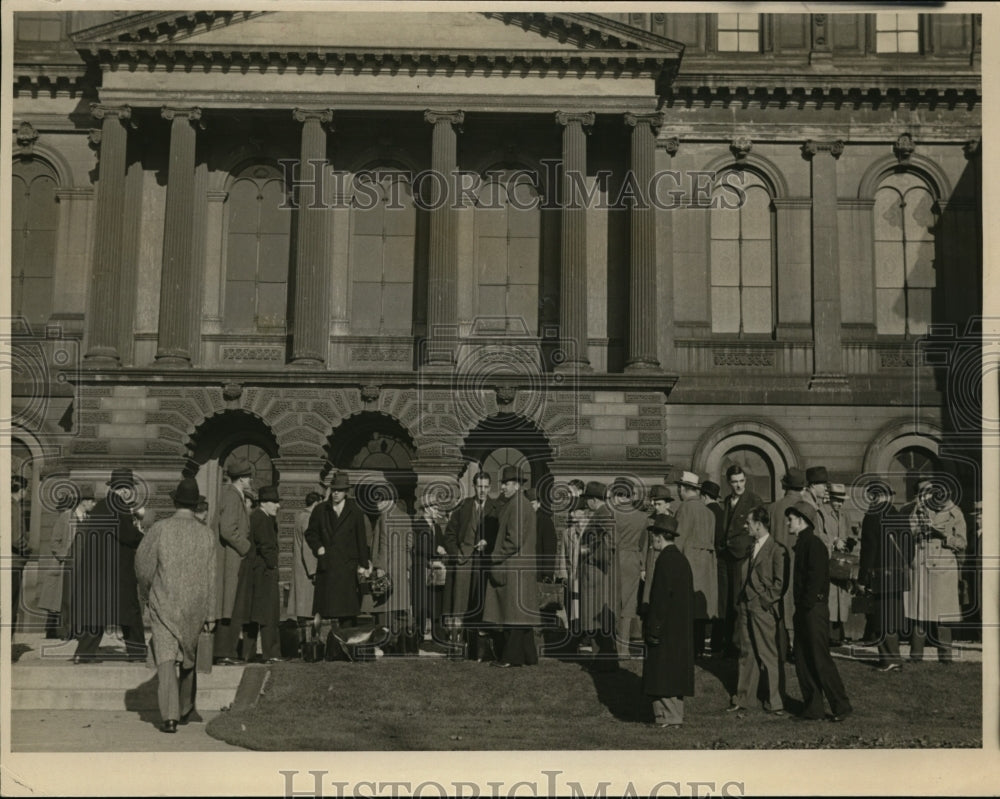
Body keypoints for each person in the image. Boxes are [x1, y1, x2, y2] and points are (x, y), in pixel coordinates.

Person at [135, 478, 217, 734]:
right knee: (189, 656)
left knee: (167, 658)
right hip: (195, 604)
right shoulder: (206, 533)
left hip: (164, 601)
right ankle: (184, 708)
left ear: (175, 502)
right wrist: (211, 612)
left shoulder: (160, 529)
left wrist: (148, 592)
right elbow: (211, 575)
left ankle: (169, 716)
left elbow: (143, 566)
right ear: (195, 505)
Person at [786, 501, 852, 721]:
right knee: (804, 660)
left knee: (820, 659)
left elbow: (814, 580)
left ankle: (841, 706)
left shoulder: (813, 544)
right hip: (807, 609)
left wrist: (805, 605)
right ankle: (813, 708)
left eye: (791, 518)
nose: (788, 522)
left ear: (803, 521)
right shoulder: (805, 543)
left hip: (813, 610)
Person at [74, 468, 147, 663]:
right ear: (123, 490)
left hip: (97, 570)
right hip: (117, 571)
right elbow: (128, 535)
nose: (129, 492)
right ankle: (138, 653)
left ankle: (84, 652)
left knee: (97, 612)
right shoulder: (119, 505)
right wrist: (145, 537)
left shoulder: (101, 506)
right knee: (130, 611)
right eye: (128, 488)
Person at [729, 506, 787, 714]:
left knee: (767, 654)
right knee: (747, 653)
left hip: (762, 608)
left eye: (748, 523)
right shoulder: (751, 546)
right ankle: (744, 699)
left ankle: (775, 703)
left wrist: (764, 601)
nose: (745, 526)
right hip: (746, 605)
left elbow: (780, 584)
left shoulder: (776, 549)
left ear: (759, 525)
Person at [903, 477, 966, 663]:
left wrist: (944, 536)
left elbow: (962, 543)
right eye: (925, 492)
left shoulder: (955, 513)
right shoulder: (918, 510)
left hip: (944, 568)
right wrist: (920, 530)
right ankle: (916, 656)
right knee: (919, 613)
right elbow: (908, 532)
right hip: (922, 565)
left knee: (943, 614)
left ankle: (945, 657)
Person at [482, 465, 540, 667]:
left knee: (513, 616)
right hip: (521, 568)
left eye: (506, 484)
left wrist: (494, 556)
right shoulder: (521, 504)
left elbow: (513, 540)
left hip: (513, 568)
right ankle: (529, 656)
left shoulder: (517, 506)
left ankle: (510, 658)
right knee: (521, 616)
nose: (503, 488)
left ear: (516, 485)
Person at [642, 514, 695, 728]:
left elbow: (660, 599)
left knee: (662, 674)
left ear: (659, 537)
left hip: (665, 628)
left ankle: (668, 717)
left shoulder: (664, 560)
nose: (652, 539)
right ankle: (672, 716)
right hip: (679, 627)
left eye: (654, 534)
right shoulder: (681, 559)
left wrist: (653, 627)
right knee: (673, 675)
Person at [305, 470, 370, 642]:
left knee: (347, 610)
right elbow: (310, 533)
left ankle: (348, 643)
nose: (335, 493)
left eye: (339, 490)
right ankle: (325, 643)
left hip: (347, 567)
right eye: (333, 489)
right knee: (325, 609)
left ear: (346, 492)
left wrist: (363, 565)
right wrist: (318, 547)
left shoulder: (355, 511)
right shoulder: (320, 510)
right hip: (327, 566)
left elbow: (361, 540)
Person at [444, 471, 498, 659]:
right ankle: (456, 649)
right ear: (474, 487)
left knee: (479, 605)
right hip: (463, 563)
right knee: (458, 606)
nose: (482, 490)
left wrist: (488, 543)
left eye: (486, 487)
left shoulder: (496, 507)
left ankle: (477, 651)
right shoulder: (464, 506)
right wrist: (456, 554)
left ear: (490, 487)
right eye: (479, 486)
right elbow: (449, 534)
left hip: (483, 565)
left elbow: (499, 536)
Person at [857, 482, 908, 671]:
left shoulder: (873, 515)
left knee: (880, 619)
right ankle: (895, 657)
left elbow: (868, 551)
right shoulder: (898, 514)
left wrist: (862, 579)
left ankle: (888, 660)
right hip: (899, 575)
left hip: (880, 575)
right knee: (893, 618)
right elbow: (908, 547)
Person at [713, 465, 762, 658]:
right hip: (725, 556)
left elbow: (759, 528)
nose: (738, 485)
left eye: (741, 481)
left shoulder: (753, 500)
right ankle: (727, 644)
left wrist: (749, 549)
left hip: (741, 557)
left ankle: (736, 645)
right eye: (734, 482)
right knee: (725, 601)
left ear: (745, 480)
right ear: (728, 483)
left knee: (737, 601)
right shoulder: (727, 501)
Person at [233, 485, 283, 663]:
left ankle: (248, 653)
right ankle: (272, 653)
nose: (277, 506)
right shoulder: (263, 519)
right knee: (269, 614)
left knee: (253, 614)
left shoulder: (257, 517)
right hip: (264, 573)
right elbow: (267, 546)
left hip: (255, 573)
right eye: (274, 502)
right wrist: (273, 565)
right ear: (264, 503)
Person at [39, 483, 95, 639]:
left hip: (83, 567)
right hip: (66, 567)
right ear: (83, 501)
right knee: (65, 599)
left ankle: (78, 631)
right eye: (91, 501)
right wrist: (66, 556)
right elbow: (54, 541)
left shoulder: (89, 519)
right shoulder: (66, 516)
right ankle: (65, 632)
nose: (93, 504)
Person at [673, 471, 718, 658]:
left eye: (679, 488)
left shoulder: (684, 509)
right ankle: (699, 648)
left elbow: (678, 538)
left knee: (686, 607)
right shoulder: (709, 512)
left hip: (689, 561)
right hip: (706, 564)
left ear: (683, 489)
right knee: (700, 609)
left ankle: (688, 648)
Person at [213, 459, 253, 665]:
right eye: (249, 477)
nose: (251, 481)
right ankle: (224, 652)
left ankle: (225, 651)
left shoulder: (232, 495)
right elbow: (227, 529)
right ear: (243, 479)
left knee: (229, 606)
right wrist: (246, 547)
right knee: (228, 605)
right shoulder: (232, 497)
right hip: (231, 559)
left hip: (232, 558)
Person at [368, 483, 414, 656]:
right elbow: (410, 544)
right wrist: (407, 565)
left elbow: (383, 545)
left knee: (384, 609)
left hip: (387, 567)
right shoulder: (405, 516)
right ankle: (400, 645)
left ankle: (384, 644)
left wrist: (379, 567)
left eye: (379, 501)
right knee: (400, 608)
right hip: (402, 567)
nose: (376, 505)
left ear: (387, 501)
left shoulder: (383, 518)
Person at [580, 481, 618, 671]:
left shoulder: (603, 514)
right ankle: (601, 661)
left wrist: (590, 554)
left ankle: (602, 661)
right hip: (595, 573)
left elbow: (610, 543)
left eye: (587, 499)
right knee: (594, 617)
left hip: (596, 573)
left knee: (596, 617)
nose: (586, 503)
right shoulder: (602, 513)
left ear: (594, 500)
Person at [768, 468, 807, 656]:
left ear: (784, 485)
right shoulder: (806, 509)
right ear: (802, 487)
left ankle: (780, 645)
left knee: (779, 602)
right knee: (796, 603)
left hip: (776, 561)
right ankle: (796, 646)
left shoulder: (773, 508)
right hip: (799, 562)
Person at [609, 477, 646, 657]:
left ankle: (612, 646)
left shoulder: (612, 514)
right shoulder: (642, 517)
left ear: (617, 494)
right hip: (633, 559)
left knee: (613, 602)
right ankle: (624, 649)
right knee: (629, 605)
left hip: (614, 558)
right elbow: (643, 543)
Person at [286, 491, 322, 646]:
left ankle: (305, 643)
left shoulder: (300, 516)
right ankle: (309, 644)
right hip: (307, 570)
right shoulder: (308, 518)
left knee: (303, 609)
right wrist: (313, 570)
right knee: (308, 609)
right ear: (316, 503)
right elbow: (308, 547)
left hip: (301, 568)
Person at [826, 483, 856, 645]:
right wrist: (833, 542)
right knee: (831, 597)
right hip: (830, 560)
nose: (839, 503)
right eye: (836, 500)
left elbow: (850, 533)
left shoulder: (845, 515)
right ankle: (830, 634)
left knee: (842, 597)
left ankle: (839, 633)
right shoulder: (824, 513)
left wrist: (850, 542)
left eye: (841, 501)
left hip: (842, 561)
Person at [640, 484, 675, 610]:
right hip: (652, 561)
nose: (656, 507)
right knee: (650, 595)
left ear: (668, 504)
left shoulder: (674, 519)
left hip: (668, 561)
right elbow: (644, 544)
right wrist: (643, 568)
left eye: (659, 504)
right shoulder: (649, 520)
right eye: (654, 504)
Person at [10, 475, 30, 630]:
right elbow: (16, 538)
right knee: (12, 603)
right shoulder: (14, 507)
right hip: (14, 561)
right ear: (22, 491)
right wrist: (27, 550)